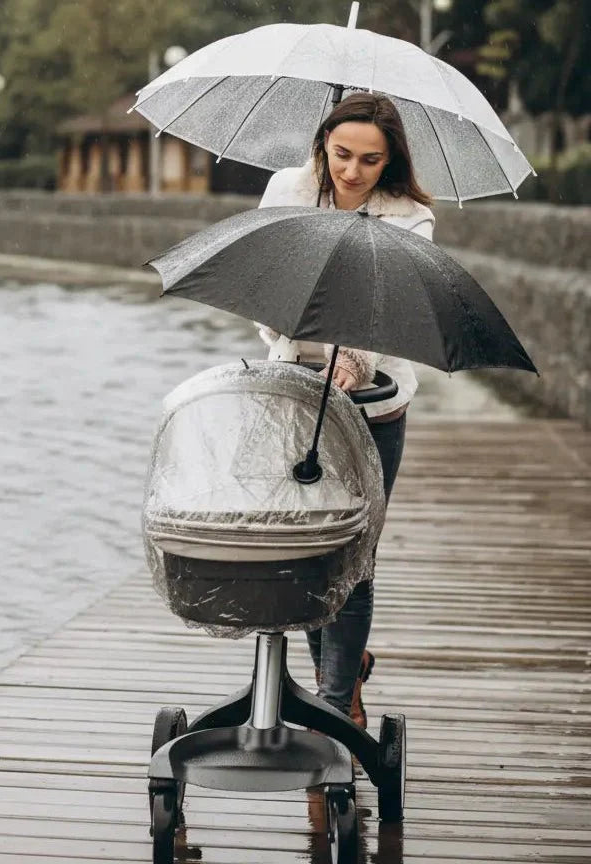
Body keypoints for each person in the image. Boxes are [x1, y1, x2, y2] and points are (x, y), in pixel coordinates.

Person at [255, 91, 435, 729]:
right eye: (341, 155)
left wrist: (350, 369)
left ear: (389, 162)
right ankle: (340, 674)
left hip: (374, 405)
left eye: (369, 160)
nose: (352, 171)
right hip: (293, 394)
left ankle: (334, 713)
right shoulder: (288, 191)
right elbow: (263, 289)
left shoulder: (409, 218)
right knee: (308, 552)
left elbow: (387, 316)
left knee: (353, 558)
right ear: (323, 146)